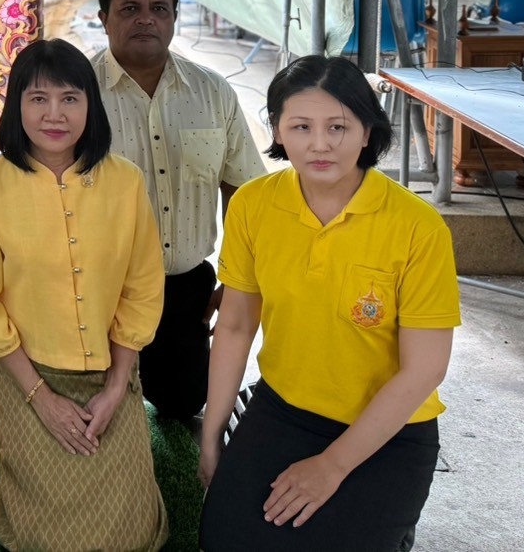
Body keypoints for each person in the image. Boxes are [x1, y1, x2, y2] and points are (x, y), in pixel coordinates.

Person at [197, 56, 459, 552]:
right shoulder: (252, 205)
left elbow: (424, 369)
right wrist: (212, 437)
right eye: (301, 126)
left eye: (338, 127)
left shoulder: (418, 228)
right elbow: (234, 328)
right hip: (282, 410)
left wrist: (332, 466)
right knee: (222, 541)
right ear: (277, 130)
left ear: (367, 132)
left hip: (390, 432)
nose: (320, 144)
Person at [0, 38, 168, 552]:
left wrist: (117, 387)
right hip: (23, 372)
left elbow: (142, 288)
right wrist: (42, 399)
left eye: (70, 98)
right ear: (17, 106)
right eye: (38, 98)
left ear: (90, 105)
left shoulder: (126, 182)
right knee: (48, 539)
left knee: (129, 534)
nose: (54, 114)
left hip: (109, 369)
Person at [91, 0, 264, 420]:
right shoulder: (78, 94)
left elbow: (245, 192)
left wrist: (239, 279)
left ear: (173, 18)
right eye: (129, 8)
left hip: (185, 285)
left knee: (184, 401)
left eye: (159, 9)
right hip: (101, 286)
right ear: (104, 18)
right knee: (101, 407)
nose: (145, 19)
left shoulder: (212, 92)